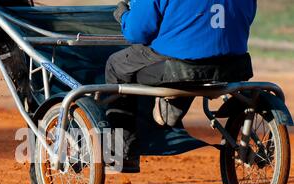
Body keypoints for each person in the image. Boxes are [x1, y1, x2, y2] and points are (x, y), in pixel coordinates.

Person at [106, 0, 257, 172]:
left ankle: (121, 153)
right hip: (233, 64)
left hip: (179, 65)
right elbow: (247, 18)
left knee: (116, 65)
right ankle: (172, 104)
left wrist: (123, 15)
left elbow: (136, 33)